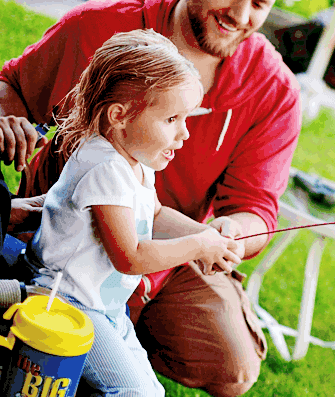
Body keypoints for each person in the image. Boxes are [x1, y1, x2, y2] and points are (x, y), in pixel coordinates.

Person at [0, 0, 301, 397]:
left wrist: (228, 233)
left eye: (260, 4)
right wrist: (7, 118)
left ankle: (110, 337)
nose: (241, 16)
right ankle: (50, 319)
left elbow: (257, 209)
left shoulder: (273, 88)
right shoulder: (101, 27)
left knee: (234, 367)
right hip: (68, 246)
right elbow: (11, 84)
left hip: (166, 246)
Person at [28, 29, 243, 397]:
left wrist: (211, 239)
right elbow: (130, 257)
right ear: (120, 116)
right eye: (172, 119)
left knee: (149, 393)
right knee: (134, 393)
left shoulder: (135, 162)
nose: (185, 134)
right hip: (67, 301)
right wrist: (197, 246)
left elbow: (155, 215)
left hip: (103, 305)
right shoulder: (105, 168)